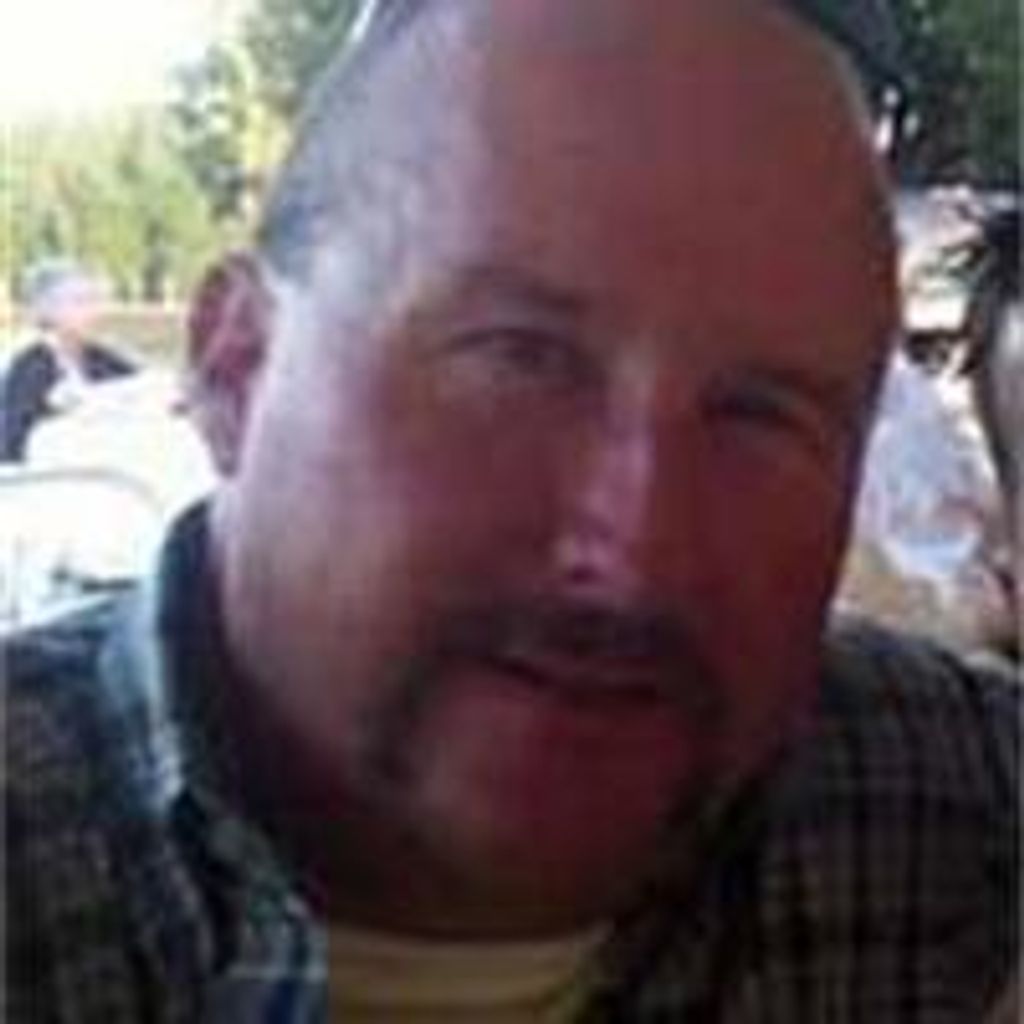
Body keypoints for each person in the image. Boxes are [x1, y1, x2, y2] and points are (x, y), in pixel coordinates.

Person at [6, 2, 1019, 1021]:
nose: (636, 549)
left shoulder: (952, 808)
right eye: (520, 360)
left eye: (762, 416)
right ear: (236, 370)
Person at [0, 260, 135, 461]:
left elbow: (141, 386)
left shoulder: (102, 357)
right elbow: (12, 440)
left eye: (95, 301)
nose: (93, 312)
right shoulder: (27, 366)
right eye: (80, 302)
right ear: (47, 309)